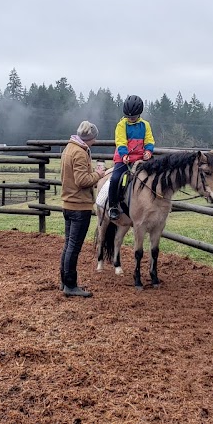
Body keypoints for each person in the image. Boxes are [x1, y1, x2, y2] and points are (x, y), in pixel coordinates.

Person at [59, 120, 106, 298]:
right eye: (94, 138)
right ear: (90, 137)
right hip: (79, 206)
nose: (94, 141)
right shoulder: (79, 153)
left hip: (68, 205)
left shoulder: (68, 149)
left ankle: (64, 281)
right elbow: (82, 181)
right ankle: (70, 285)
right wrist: (98, 175)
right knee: (73, 247)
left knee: (68, 245)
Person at [107, 95, 155, 220]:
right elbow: (121, 141)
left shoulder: (145, 125)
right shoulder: (121, 125)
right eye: (128, 117)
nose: (130, 119)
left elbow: (149, 140)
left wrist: (149, 151)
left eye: (133, 117)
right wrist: (124, 155)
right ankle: (113, 206)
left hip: (140, 158)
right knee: (116, 178)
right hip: (124, 158)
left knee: (155, 175)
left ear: (139, 114)